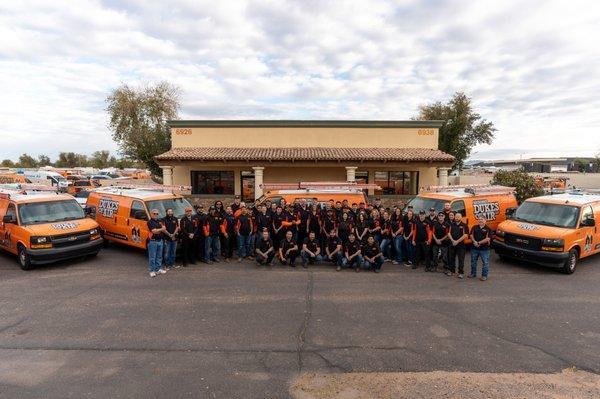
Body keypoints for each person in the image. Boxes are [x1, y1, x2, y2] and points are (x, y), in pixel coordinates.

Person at [469, 216, 492, 281]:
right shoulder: (474, 227)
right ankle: (473, 273)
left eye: (482, 219)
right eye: (479, 219)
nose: (480, 220)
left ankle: (484, 276)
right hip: (474, 248)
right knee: (473, 262)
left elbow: (488, 239)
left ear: (485, 220)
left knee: (485, 263)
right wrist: (474, 242)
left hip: (484, 249)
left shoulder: (488, 229)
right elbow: (471, 235)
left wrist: (478, 243)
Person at [447, 212, 468, 278]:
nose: (457, 218)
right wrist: (453, 241)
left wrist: (457, 241)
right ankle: (452, 271)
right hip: (452, 244)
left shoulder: (464, 225)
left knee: (461, 259)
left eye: (458, 217)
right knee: (451, 258)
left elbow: (465, 235)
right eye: (456, 217)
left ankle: (460, 273)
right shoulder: (451, 224)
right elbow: (448, 233)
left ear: (461, 217)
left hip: (461, 245)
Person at [147, 209, 167, 277]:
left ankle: (158, 269)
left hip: (160, 241)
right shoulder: (150, 222)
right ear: (151, 214)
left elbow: (164, 229)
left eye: (157, 214)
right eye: (154, 213)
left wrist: (159, 230)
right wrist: (161, 229)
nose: (156, 215)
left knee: (159, 256)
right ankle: (152, 271)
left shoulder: (159, 221)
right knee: (152, 257)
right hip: (153, 241)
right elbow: (154, 231)